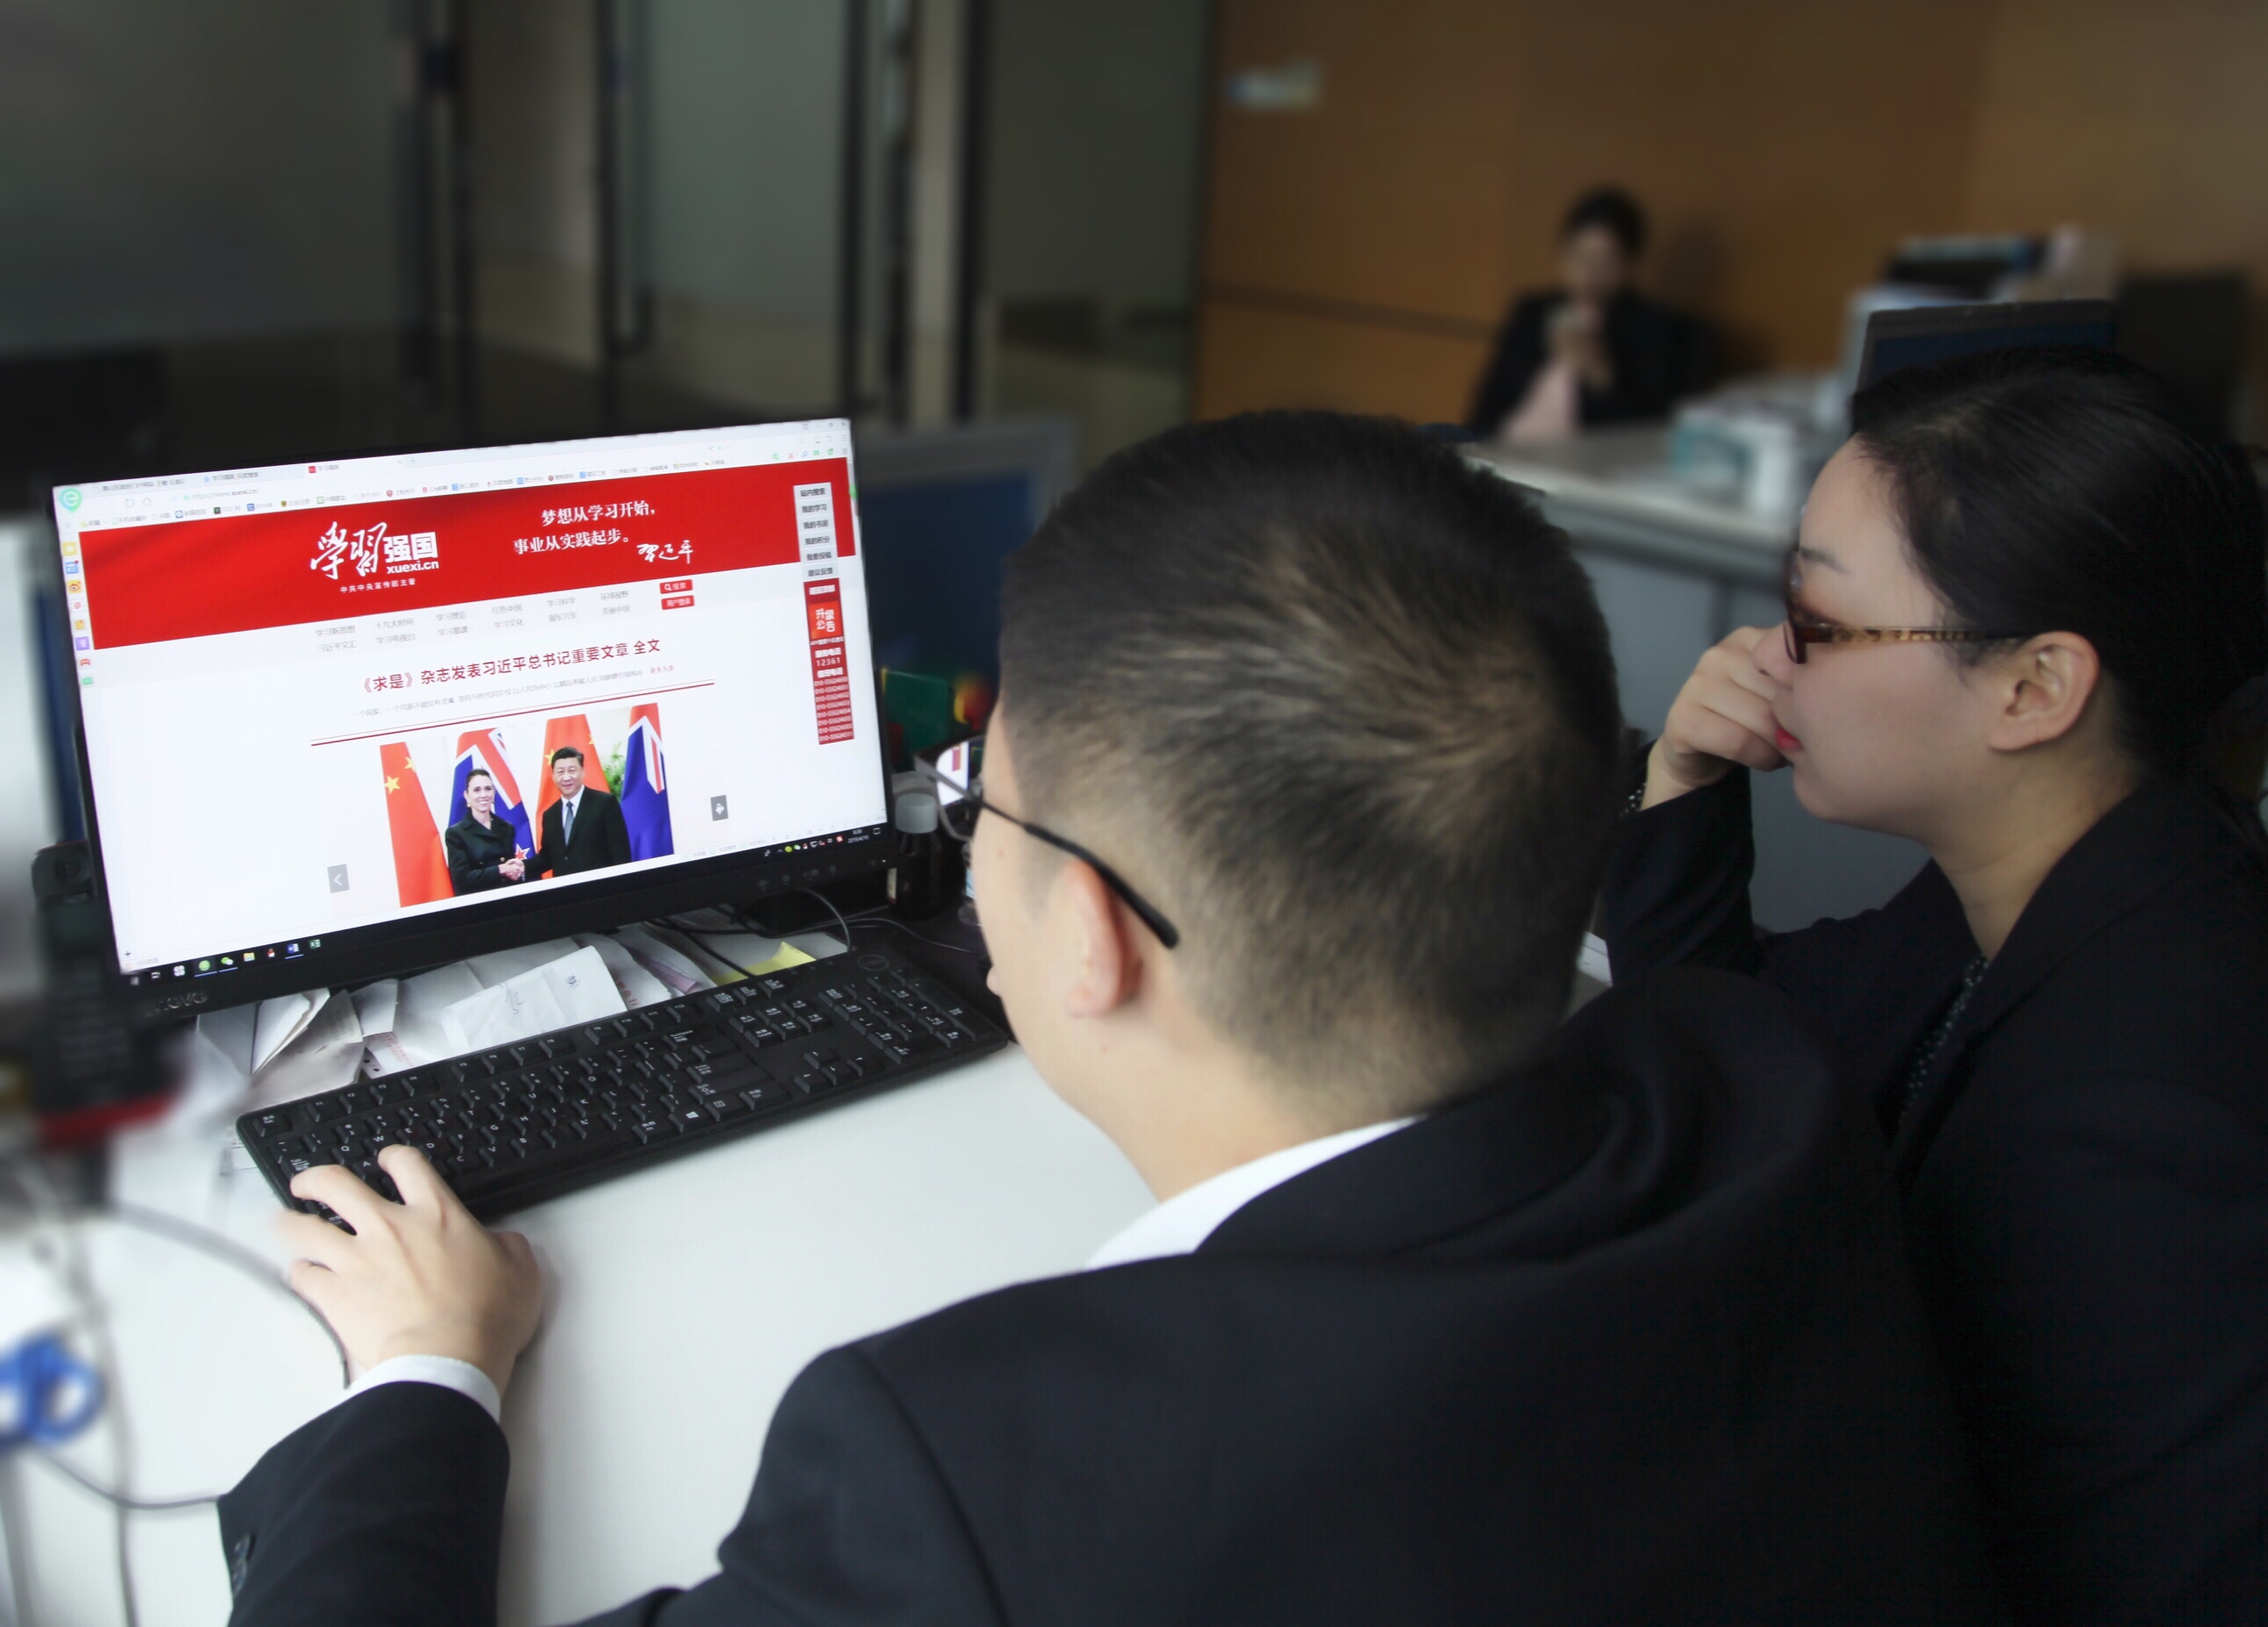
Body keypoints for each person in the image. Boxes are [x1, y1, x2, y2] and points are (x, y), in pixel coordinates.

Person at [218, 415, 2004, 1625]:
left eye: (978, 806)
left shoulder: (982, 1480)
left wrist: (427, 1372)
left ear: (1088, 929)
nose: (964, 836)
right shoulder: (1753, 1079)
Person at [1600, 348, 2268, 1624]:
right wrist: (1683, 776)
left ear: (2033, 687)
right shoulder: (2035, 887)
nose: (1766, 658)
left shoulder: (2148, 1111)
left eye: (1819, 623)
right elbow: (1737, 1045)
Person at [1467, 186, 1714, 443]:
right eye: (1580, 255)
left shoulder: (1651, 328)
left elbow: (1650, 431)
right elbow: (1488, 403)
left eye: (1605, 260)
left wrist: (1600, 374)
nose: (1588, 272)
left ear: (1628, 265)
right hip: (1503, 447)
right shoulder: (1533, 313)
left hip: (1575, 457)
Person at [532, 747, 630, 879]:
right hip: (566, 890)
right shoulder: (550, 815)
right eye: (560, 772)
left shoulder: (605, 803)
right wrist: (522, 867)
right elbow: (547, 857)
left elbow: (620, 853)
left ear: (583, 771)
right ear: (553, 776)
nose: (566, 777)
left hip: (601, 887)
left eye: (572, 770)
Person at [444, 770, 527, 895]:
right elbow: (461, 879)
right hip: (477, 901)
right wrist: (500, 869)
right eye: (477, 790)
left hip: (506, 897)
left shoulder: (507, 828)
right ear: (467, 796)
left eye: (488, 789)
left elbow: (509, 870)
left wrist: (516, 870)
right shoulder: (456, 834)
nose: (483, 795)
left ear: (493, 793)